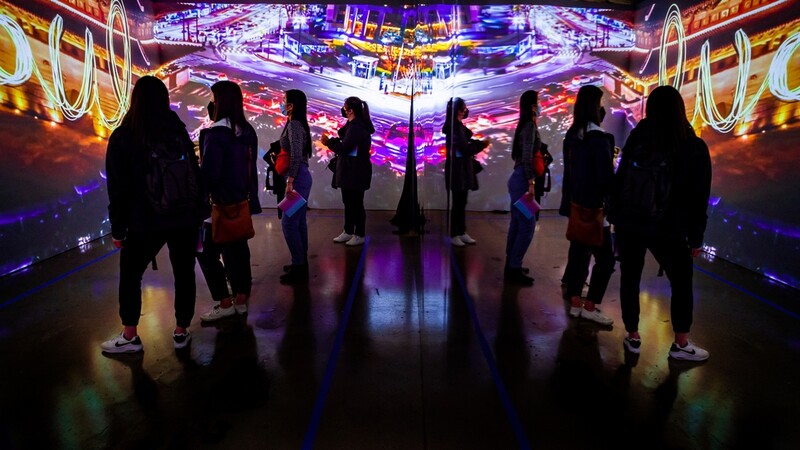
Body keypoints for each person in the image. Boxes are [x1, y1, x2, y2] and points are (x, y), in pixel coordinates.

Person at [609, 85, 712, 361]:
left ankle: (633, 336)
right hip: (668, 227)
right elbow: (698, 198)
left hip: (630, 222)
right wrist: (696, 237)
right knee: (681, 281)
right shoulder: (692, 145)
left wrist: (615, 214)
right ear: (680, 109)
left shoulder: (638, 137)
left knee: (630, 277)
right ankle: (681, 343)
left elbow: (621, 178)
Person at [101, 75, 202, 352]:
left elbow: (118, 188)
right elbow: (194, 172)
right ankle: (181, 331)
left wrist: (118, 228)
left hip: (144, 220)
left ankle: (130, 336)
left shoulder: (125, 135)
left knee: (131, 274)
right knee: (184, 273)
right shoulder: (177, 130)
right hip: (184, 216)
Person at [197, 80, 262, 322]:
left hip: (217, 207)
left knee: (205, 253)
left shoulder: (216, 135)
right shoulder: (247, 131)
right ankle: (241, 301)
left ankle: (225, 302)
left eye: (213, 99)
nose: (210, 103)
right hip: (241, 203)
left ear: (220, 102)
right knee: (239, 252)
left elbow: (210, 175)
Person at [558, 85, 616, 326]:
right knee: (606, 260)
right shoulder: (599, 139)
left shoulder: (573, 136)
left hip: (577, 205)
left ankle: (575, 303)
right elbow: (605, 180)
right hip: (596, 210)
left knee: (578, 254)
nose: (604, 107)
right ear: (595, 107)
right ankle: (590, 306)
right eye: (601, 103)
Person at [321, 96, 375, 246]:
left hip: (355, 171)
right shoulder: (353, 125)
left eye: (345, 107)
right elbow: (346, 143)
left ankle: (359, 234)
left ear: (350, 110)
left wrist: (328, 143)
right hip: (349, 170)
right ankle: (348, 231)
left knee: (356, 203)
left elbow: (344, 148)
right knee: (349, 202)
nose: (343, 110)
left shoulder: (357, 127)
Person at [505, 90, 542, 286]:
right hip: (522, 182)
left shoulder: (525, 125)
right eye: (538, 102)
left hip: (517, 179)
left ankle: (512, 264)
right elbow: (527, 157)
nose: (540, 105)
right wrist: (531, 182)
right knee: (527, 225)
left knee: (517, 224)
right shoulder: (529, 126)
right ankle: (514, 267)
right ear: (532, 106)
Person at [442, 97, 489, 247]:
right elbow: (465, 149)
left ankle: (461, 231)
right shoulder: (454, 128)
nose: (465, 111)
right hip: (458, 171)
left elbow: (465, 144)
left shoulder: (457, 126)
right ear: (457, 111)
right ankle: (454, 233)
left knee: (461, 202)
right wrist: (482, 145)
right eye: (463, 109)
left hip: (461, 169)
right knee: (458, 203)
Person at [279, 89, 313, 283]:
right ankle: (300, 262)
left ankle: (298, 265)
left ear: (291, 106)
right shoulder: (297, 124)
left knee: (289, 222)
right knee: (298, 222)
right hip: (301, 177)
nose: (281, 104)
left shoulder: (294, 125)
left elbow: (297, 155)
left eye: (284, 101)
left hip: (298, 178)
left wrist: (290, 180)